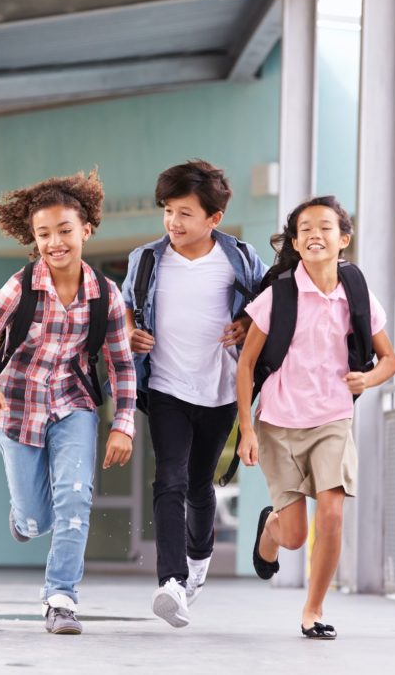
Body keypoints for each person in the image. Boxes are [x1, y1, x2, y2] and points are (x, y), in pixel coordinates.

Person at [0, 171, 135, 635]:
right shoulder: (20, 287)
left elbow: (120, 364)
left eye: (64, 231)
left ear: (86, 230)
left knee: (74, 498)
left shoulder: (107, 294)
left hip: (73, 404)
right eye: (44, 235)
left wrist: (124, 423)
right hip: (16, 409)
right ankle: (23, 518)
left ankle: (60, 598)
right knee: (36, 519)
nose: (55, 243)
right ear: (34, 240)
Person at [236, 196, 395, 639]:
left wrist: (368, 380)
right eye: (304, 228)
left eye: (325, 227)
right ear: (295, 241)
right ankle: (271, 526)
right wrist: (246, 430)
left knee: (331, 513)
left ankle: (314, 609)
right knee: (294, 537)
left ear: (343, 239)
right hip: (279, 423)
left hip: (332, 419)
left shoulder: (357, 293)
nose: (314, 234)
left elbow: (389, 360)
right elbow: (247, 364)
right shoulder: (279, 295)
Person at [121, 160, 267, 627]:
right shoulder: (147, 259)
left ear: (213, 218)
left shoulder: (240, 258)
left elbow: (269, 305)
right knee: (170, 479)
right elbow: (125, 308)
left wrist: (247, 322)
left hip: (221, 389)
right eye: (167, 211)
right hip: (165, 386)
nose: (173, 223)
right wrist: (129, 332)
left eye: (185, 213)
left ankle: (199, 556)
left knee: (201, 487)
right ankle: (171, 582)